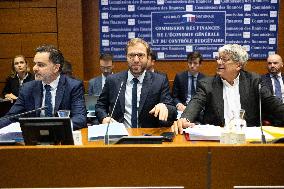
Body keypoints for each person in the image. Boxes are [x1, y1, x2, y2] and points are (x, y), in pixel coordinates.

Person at [171, 44, 284, 134]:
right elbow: (195, 103)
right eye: (218, 58)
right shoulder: (207, 84)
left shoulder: (254, 81)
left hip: (248, 140)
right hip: (217, 141)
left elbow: (273, 104)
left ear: (238, 65)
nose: (219, 62)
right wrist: (185, 119)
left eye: (224, 59)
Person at [0, 45, 87, 130]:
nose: (34, 68)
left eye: (40, 65)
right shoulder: (28, 88)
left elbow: (80, 118)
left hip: (62, 138)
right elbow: (11, 117)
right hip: (34, 139)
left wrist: (54, 127)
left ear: (56, 68)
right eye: (35, 64)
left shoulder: (73, 86)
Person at [95, 38, 177, 128]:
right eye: (131, 55)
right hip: (120, 136)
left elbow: (173, 111)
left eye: (141, 55)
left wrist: (165, 107)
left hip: (149, 137)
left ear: (147, 57)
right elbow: (100, 106)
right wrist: (104, 118)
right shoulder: (113, 81)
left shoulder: (159, 81)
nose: (136, 60)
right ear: (126, 57)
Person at [261, 54, 284, 125]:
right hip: (270, 118)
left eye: (275, 63)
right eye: (269, 63)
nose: (272, 65)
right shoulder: (260, 80)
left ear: (282, 64)